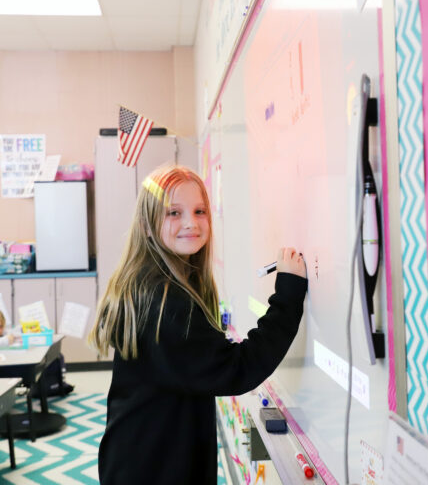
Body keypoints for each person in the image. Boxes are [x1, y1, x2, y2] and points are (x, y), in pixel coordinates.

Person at [88, 165, 308, 485]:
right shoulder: (167, 303)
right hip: (155, 469)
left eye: (200, 210)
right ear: (147, 227)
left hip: (136, 458)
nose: (191, 223)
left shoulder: (149, 283)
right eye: (173, 213)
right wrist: (288, 295)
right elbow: (236, 369)